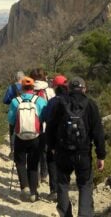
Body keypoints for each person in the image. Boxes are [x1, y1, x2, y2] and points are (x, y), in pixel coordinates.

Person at [46, 77, 106, 217]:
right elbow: (98, 132)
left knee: (62, 183)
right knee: (85, 185)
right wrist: (100, 155)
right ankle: (84, 214)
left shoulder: (60, 103)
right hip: (83, 153)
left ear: (69, 89)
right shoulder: (91, 104)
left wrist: (52, 147)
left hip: (63, 152)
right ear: (84, 89)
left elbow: (50, 128)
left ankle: (65, 214)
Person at [8, 76, 47, 202]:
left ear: (22, 88)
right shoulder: (40, 101)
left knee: (20, 162)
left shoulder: (15, 101)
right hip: (36, 136)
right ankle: (33, 193)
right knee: (33, 164)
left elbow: (11, 120)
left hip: (20, 136)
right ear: (33, 88)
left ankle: (24, 186)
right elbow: (44, 118)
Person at [41, 74, 69, 202]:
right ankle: (64, 189)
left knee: (51, 162)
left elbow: (45, 117)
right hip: (69, 137)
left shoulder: (52, 101)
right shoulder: (72, 100)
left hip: (53, 136)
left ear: (56, 87)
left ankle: (54, 190)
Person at [30, 68, 55, 185]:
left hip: (31, 125)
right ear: (44, 77)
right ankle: (44, 174)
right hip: (45, 125)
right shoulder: (49, 91)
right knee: (45, 150)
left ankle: (35, 177)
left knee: (33, 151)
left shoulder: (29, 90)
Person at [3, 70, 25, 156]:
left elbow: (5, 100)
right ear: (22, 78)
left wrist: (12, 102)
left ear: (16, 78)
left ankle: (13, 151)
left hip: (14, 112)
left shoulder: (11, 87)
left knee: (12, 131)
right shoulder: (26, 87)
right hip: (26, 112)